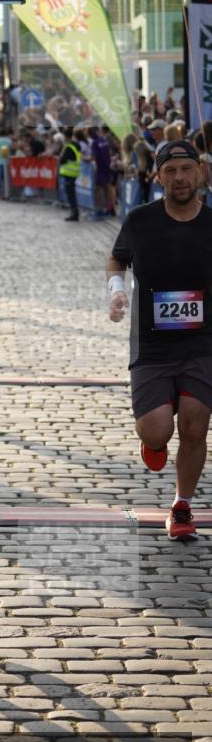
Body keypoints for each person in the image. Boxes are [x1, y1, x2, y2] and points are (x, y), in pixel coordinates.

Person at [107, 140, 211, 541]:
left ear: (200, 172)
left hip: (203, 343)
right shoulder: (141, 220)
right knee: (155, 430)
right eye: (171, 171)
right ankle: (154, 442)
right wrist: (116, 290)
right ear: (158, 177)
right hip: (151, 344)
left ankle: (182, 505)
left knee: (195, 425)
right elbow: (117, 259)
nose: (180, 178)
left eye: (187, 169)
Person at [59, 126, 81, 222]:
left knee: (71, 194)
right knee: (72, 194)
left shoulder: (69, 147)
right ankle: (74, 212)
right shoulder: (76, 145)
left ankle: (74, 213)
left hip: (69, 173)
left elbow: (62, 160)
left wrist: (61, 156)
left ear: (66, 136)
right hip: (74, 172)